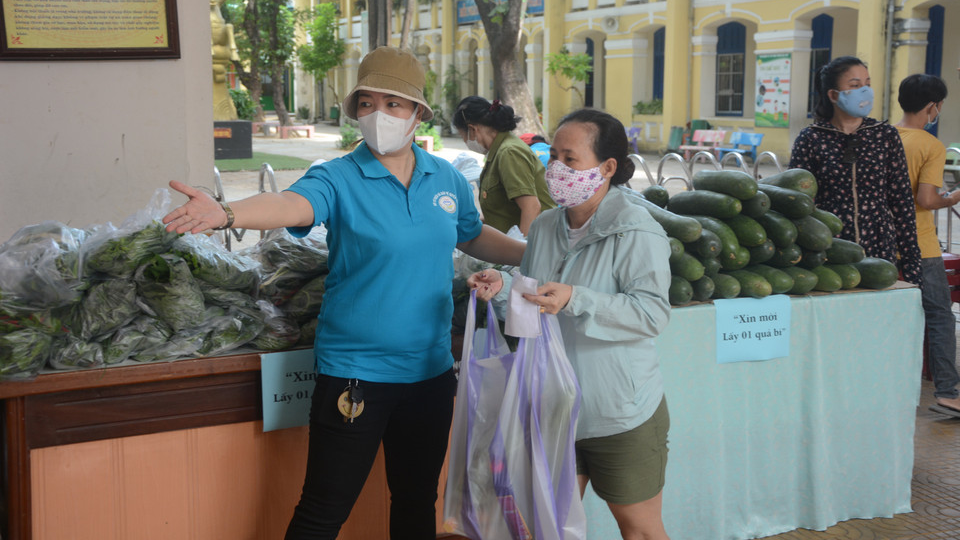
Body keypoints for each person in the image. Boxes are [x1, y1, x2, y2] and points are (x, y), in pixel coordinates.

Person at [163, 46, 524, 540]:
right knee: (323, 511)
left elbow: (471, 233)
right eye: (368, 103)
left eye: (394, 103)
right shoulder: (337, 177)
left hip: (431, 374)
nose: (379, 115)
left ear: (419, 113)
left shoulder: (444, 177)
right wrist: (229, 214)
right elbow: (290, 204)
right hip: (355, 376)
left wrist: (532, 254)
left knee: (417, 501)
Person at [471, 109, 673, 540]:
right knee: (550, 525)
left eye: (570, 158)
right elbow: (533, 298)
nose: (556, 169)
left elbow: (652, 313)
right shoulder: (544, 226)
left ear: (608, 167)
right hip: (551, 407)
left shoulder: (637, 231)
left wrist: (576, 298)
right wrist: (501, 286)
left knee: (638, 528)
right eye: (553, 157)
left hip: (617, 413)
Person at [789, 55, 922, 285]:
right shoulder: (811, 138)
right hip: (830, 249)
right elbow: (797, 203)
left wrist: (912, 267)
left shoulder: (885, 135)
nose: (865, 91)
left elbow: (901, 201)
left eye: (867, 85)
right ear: (833, 95)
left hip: (879, 248)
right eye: (855, 86)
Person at [894, 74, 960, 417]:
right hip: (921, 245)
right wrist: (956, 195)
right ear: (933, 107)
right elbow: (928, 199)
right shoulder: (930, 145)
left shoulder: (884, 136)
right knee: (939, 317)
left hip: (882, 245)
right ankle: (948, 392)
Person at [453, 96, 555, 235]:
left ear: (472, 129)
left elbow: (531, 207)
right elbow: (501, 210)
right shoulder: (498, 152)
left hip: (537, 242)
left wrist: (522, 252)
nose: (465, 141)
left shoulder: (509, 152)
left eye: (462, 135)